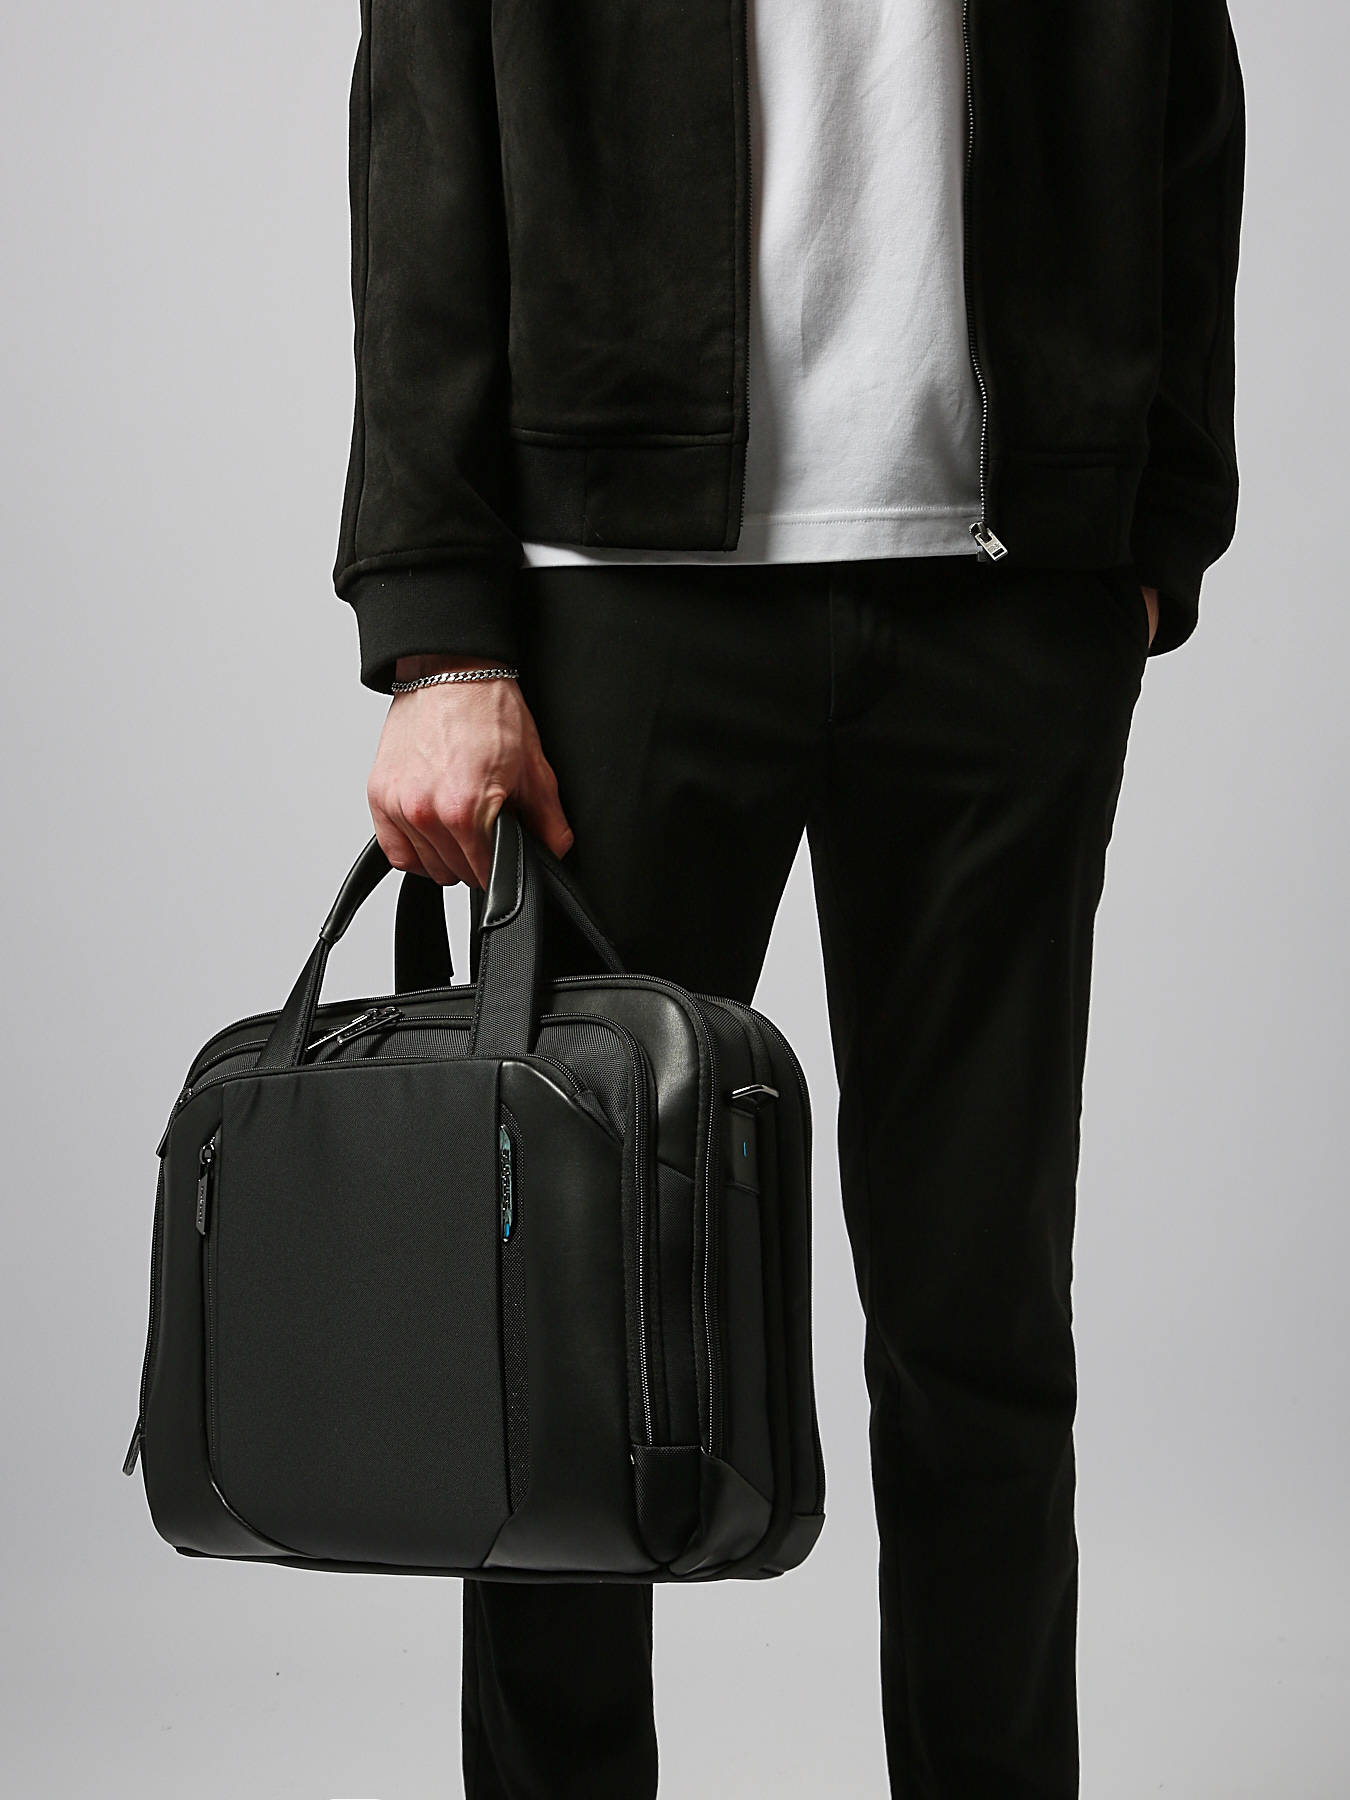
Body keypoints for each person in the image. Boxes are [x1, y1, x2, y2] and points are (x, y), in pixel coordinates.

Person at [332, 0, 1245, 1793]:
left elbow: (1181, 100)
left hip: (1006, 592)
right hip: (616, 601)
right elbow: (422, 134)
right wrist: (439, 632)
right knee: (569, 1330)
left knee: (979, 1321)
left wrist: (1153, 525)